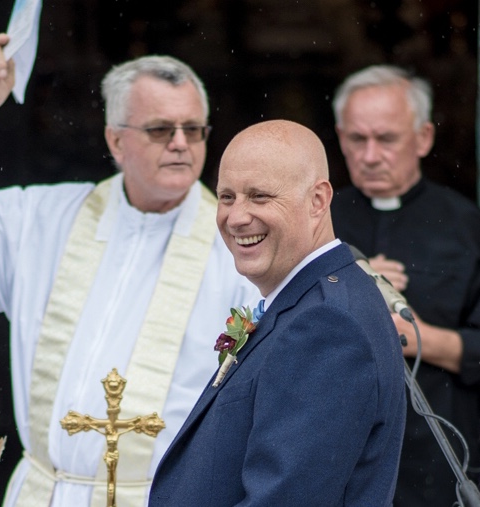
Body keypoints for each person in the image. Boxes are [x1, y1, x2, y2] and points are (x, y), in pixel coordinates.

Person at [0, 34, 260, 506]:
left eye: (194, 129)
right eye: (160, 129)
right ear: (115, 140)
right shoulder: (42, 219)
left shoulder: (240, 251)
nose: (181, 144)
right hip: (47, 491)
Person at [149, 119, 407, 505]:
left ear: (317, 201)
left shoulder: (327, 326)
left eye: (260, 196)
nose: (236, 217)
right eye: (226, 197)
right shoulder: (313, 302)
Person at [330, 64, 480, 505]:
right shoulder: (317, 222)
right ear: (340, 137)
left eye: (387, 139)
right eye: (357, 139)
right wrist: (345, 283)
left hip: (436, 459)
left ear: (424, 137)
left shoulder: (466, 225)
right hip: (339, 452)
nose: (370, 155)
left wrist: (412, 335)